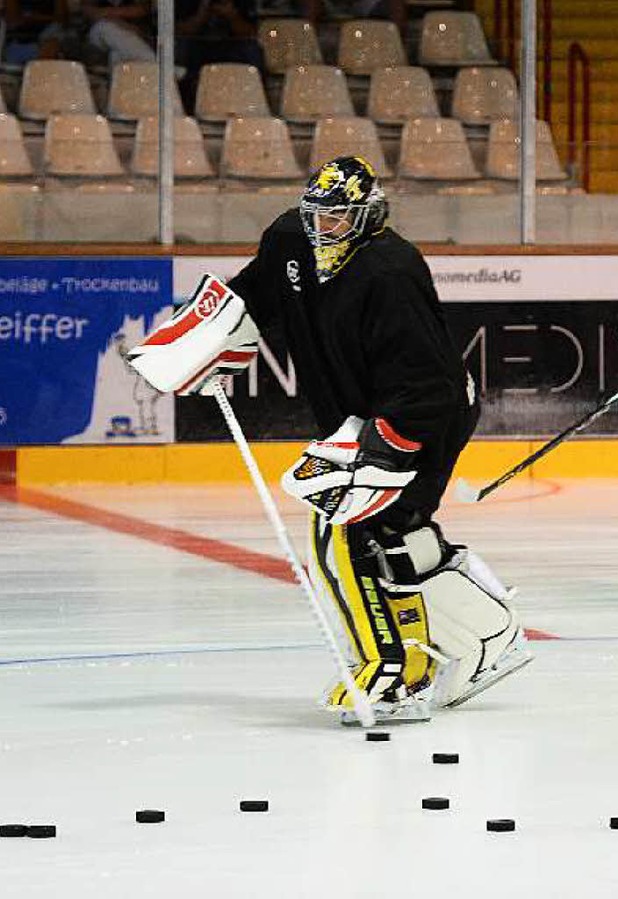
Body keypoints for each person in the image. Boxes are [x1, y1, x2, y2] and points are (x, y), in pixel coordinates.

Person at [144, 157, 532, 724]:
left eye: (338, 218)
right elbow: (251, 297)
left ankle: (398, 671)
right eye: (316, 215)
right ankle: (489, 637)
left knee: (347, 528)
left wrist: (385, 446)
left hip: (425, 414)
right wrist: (201, 344)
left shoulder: (391, 270)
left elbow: (428, 379)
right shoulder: (289, 239)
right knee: (394, 532)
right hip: (357, 415)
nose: (323, 228)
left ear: (368, 215)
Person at [174, 0, 265, 112]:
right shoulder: (186, 4)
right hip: (197, 49)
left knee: (251, 48)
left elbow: (251, 33)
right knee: (182, 47)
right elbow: (179, 31)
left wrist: (232, 16)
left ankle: (254, 100)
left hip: (234, 50)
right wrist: (202, 14)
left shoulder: (242, 4)